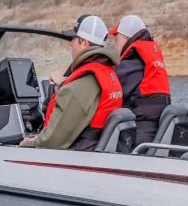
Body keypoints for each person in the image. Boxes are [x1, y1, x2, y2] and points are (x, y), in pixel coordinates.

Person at [19, 15, 124, 150]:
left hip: (78, 157)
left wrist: (29, 143)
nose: (70, 44)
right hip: (94, 153)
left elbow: (52, 142)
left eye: (73, 39)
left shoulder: (82, 85)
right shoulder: (108, 74)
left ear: (84, 42)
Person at [109, 14, 172, 146]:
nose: (115, 45)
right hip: (154, 131)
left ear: (127, 39)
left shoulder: (132, 64)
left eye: (117, 39)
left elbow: (107, 92)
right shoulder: (150, 61)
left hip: (137, 136)